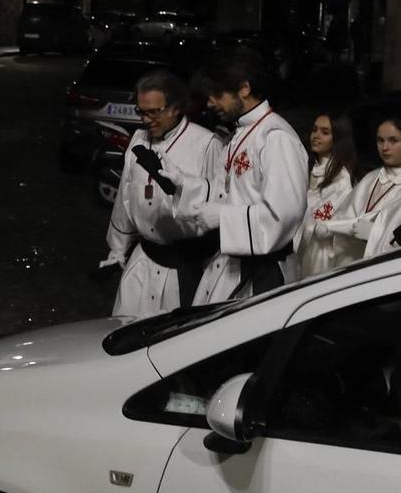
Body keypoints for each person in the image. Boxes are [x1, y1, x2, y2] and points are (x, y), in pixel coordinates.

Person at [181, 47, 308, 303]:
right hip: (229, 260)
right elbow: (230, 192)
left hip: (258, 276)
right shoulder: (240, 132)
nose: (209, 103)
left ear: (245, 88)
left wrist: (221, 217)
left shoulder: (275, 138)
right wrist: (184, 185)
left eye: (217, 94)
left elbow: (282, 217)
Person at [98, 70, 226, 317]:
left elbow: (216, 207)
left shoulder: (207, 145)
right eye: (141, 112)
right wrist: (117, 250)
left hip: (183, 268)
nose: (146, 120)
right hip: (142, 261)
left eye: (153, 112)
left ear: (176, 107)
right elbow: (125, 198)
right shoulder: (138, 139)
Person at [322, 111, 401, 259]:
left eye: (393, 141)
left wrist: (375, 234)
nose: (385, 147)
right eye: (380, 140)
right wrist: (331, 226)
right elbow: (344, 215)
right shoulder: (371, 178)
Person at [296, 107, 362, 279]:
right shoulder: (309, 166)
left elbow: (319, 224)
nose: (316, 136)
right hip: (302, 247)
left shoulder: (341, 178)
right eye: (314, 130)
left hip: (321, 253)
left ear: (338, 139)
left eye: (325, 132)